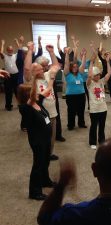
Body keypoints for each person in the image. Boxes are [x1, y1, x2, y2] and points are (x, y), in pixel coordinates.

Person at [18, 63, 60, 200]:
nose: (36, 92)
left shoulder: (38, 101)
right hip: (38, 141)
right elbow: (30, 98)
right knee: (38, 164)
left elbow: (48, 89)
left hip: (45, 139)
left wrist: (52, 77)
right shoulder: (26, 108)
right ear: (27, 96)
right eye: (32, 92)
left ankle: (45, 180)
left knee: (45, 161)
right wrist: (34, 78)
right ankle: (34, 192)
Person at [24, 41, 60, 161]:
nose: (44, 69)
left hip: (52, 112)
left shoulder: (47, 75)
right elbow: (27, 68)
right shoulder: (31, 80)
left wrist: (51, 52)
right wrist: (29, 51)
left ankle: (49, 154)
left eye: (45, 66)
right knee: (42, 137)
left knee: (52, 136)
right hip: (40, 115)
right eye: (41, 67)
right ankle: (43, 156)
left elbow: (56, 66)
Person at [87, 52, 111, 150]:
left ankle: (101, 141)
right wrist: (92, 62)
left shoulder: (102, 82)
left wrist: (108, 61)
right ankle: (92, 142)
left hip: (103, 108)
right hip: (94, 109)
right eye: (95, 75)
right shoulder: (89, 83)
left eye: (98, 75)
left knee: (102, 126)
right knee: (94, 126)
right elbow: (89, 76)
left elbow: (109, 73)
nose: (97, 77)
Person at [63, 47, 87, 130]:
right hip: (71, 96)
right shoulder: (67, 74)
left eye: (76, 66)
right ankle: (71, 125)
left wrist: (84, 55)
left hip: (81, 95)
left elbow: (83, 64)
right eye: (73, 66)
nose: (75, 68)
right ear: (70, 67)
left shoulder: (80, 73)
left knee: (81, 110)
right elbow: (66, 64)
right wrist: (66, 54)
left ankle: (81, 123)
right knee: (71, 111)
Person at [0, 39, 19, 111]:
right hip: (7, 76)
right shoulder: (4, 56)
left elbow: (20, 50)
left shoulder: (15, 55)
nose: (10, 51)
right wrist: (2, 44)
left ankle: (20, 104)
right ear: (7, 50)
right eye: (9, 50)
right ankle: (8, 106)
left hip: (16, 75)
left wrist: (17, 42)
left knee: (17, 91)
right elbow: (1, 52)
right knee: (8, 92)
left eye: (11, 50)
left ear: (13, 50)